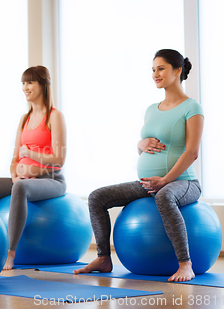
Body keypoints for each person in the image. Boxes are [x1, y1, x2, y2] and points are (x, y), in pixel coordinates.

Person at [74, 49, 204, 282]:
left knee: (164, 196)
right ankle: (103, 258)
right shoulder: (151, 109)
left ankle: (185, 264)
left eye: (161, 68)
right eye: (153, 69)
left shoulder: (191, 108)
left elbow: (192, 152)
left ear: (177, 70)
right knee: (97, 197)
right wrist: (140, 143)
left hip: (183, 182)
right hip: (148, 183)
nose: (155, 73)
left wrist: (165, 180)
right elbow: (146, 147)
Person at [0, 65, 67, 270]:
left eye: (30, 82)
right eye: (23, 83)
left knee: (20, 189)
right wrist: (16, 176)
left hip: (52, 181)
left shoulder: (54, 116)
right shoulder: (24, 119)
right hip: (23, 180)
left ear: (43, 85)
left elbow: (59, 160)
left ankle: (10, 252)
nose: (25, 87)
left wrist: (31, 158)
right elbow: (15, 157)